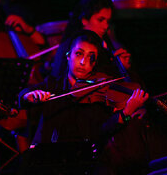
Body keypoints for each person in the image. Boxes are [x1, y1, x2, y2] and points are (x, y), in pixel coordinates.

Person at [18, 30, 149, 174]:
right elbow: (23, 96)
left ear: (95, 64)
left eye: (90, 58)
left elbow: (103, 131)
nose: (83, 62)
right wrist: (28, 96)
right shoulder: (53, 84)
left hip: (87, 159)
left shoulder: (99, 90)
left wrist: (126, 113)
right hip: (53, 157)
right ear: (68, 56)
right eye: (79, 54)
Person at [51, 0, 134, 80]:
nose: (106, 26)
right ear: (84, 20)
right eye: (100, 20)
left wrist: (122, 67)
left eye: (108, 21)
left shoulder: (105, 44)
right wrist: (116, 68)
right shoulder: (71, 46)